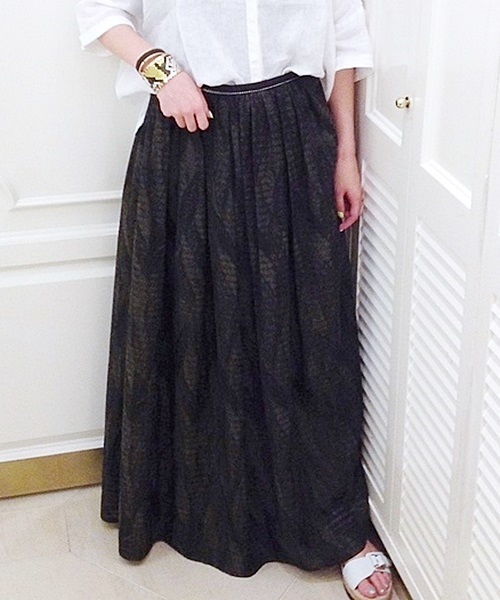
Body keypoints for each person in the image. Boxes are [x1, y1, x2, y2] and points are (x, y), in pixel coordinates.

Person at [76, 1, 393, 598]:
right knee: (191, 327)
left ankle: (335, 525)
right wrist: (161, 70)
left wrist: (347, 154)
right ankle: (191, 504)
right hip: (189, 132)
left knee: (309, 332)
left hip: (295, 133)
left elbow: (344, 39)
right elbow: (97, 12)